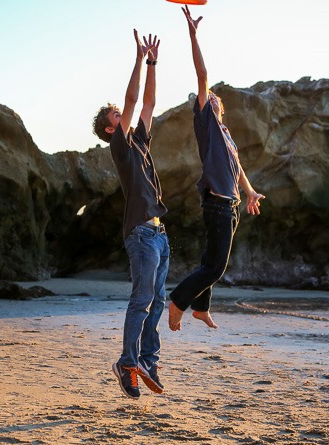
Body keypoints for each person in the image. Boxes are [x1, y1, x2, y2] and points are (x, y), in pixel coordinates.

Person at [168, 6, 265, 332]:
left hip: (231, 204)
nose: (209, 99)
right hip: (218, 204)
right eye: (205, 98)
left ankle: (201, 308)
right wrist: (194, 35)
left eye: (213, 99)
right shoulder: (207, 124)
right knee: (216, 268)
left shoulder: (225, 136)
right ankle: (178, 301)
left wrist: (249, 191)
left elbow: (237, 168)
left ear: (221, 108)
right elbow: (202, 75)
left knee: (209, 262)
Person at [92, 30, 169, 400]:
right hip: (140, 233)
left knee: (158, 299)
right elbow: (134, 97)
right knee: (141, 299)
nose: (123, 115)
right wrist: (138, 59)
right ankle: (127, 362)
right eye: (116, 116)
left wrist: (154, 62)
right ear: (110, 128)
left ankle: (147, 361)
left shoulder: (139, 139)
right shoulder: (120, 146)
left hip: (159, 232)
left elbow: (149, 102)